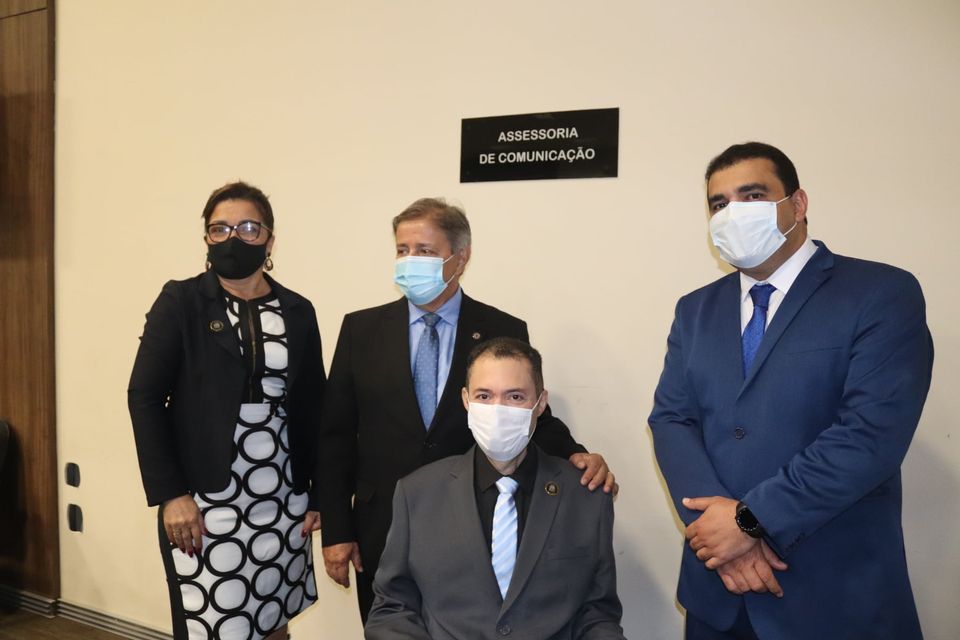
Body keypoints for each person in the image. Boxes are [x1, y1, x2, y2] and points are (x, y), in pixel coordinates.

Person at [648, 142, 934, 639]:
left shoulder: (880, 293)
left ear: (797, 204)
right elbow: (672, 419)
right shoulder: (694, 310)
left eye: (752, 196)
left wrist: (749, 521)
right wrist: (722, 536)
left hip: (834, 596)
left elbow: (869, 437)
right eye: (719, 204)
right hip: (718, 594)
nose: (733, 213)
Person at [318, 197, 617, 621]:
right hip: (381, 520)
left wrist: (576, 455)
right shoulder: (360, 329)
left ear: (461, 257)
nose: (410, 260)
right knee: (391, 624)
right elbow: (335, 435)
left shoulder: (502, 328)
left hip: (471, 520)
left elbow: (530, 414)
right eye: (402, 249)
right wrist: (337, 530)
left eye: (425, 250)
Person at [128, 182, 326, 640]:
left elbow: (316, 406)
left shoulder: (298, 310)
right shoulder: (181, 302)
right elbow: (144, 397)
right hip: (205, 502)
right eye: (220, 229)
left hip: (283, 498)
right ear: (207, 239)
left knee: (274, 620)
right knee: (215, 625)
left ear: (270, 240)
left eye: (248, 228)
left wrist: (319, 495)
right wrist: (171, 494)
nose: (233, 238)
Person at [365, 337, 625, 639]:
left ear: (540, 403)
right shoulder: (417, 494)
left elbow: (597, 613)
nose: (498, 410)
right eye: (484, 396)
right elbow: (392, 607)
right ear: (466, 400)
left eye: (515, 397)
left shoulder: (585, 495)